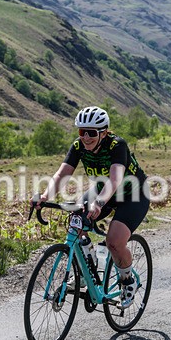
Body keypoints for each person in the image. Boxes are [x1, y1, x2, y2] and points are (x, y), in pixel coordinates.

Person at [35, 106, 149, 308]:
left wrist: (99, 203)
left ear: (104, 132)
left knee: (114, 241)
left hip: (133, 194)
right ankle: (89, 264)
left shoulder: (117, 145)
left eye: (91, 133)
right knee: (76, 224)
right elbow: (62, 175)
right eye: (82, 132)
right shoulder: (79, 146)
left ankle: (128, 282)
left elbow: (114, 181)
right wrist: (44, 196)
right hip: (101, 190)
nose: (85, 137)